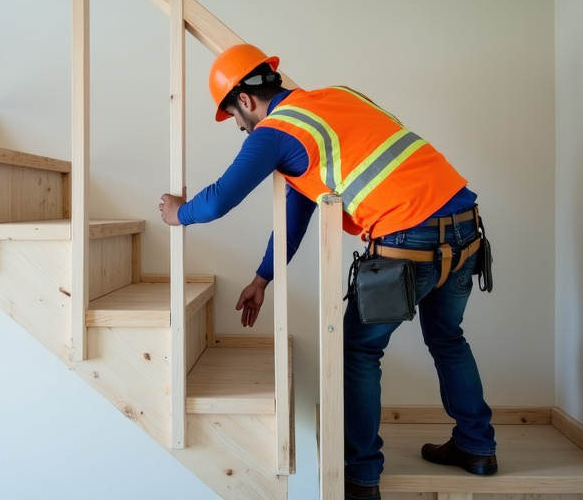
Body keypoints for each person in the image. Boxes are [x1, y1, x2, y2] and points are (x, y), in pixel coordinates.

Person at [158, 43, 497, 500]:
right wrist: (263, 278)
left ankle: (360, 479)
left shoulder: (273, 133)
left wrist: (179, 213)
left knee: (357, 351)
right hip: (466, 227)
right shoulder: (337, 101)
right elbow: (297, 215)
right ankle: (477, 446)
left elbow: (219, 199)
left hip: (408, 240)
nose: (238, 127)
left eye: (233, 117)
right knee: (448, 338)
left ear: (245, 99)